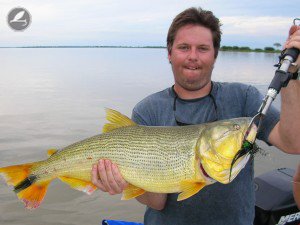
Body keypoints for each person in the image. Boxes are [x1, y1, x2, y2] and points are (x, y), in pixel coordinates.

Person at [91, 7, 300, 225]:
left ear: (215, 55)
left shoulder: (243, 97)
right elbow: (157, 202)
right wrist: (124, 181)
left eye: (202, 48)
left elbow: (294, 143)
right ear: (169, 53)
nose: (193, 56)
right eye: (183, 47)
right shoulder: (148, 110)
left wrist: (291, 75)